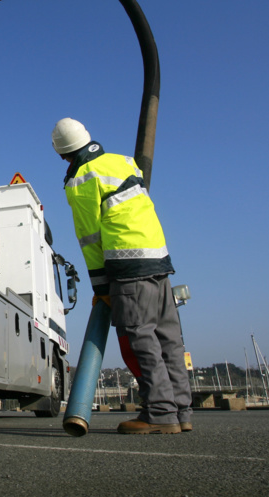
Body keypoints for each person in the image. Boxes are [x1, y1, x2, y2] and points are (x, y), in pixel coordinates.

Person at [51, 117, 191, 435]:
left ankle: (158, 414)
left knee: (141, 339)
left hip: (127, 268)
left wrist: (101, 287)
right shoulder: (124, 162)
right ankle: (181, 411)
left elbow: (90, 238)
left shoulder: (81, 178)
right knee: (169, 339)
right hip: (159, 259)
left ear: (62, 154)